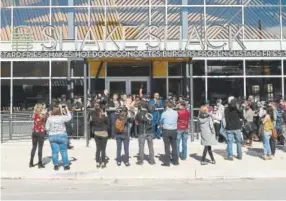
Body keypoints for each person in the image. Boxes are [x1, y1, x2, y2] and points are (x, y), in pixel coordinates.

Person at [45, 105, 72, 171]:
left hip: (52, 135)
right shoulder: (62, 117)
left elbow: (47, 128)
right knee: (63, 151)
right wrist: (66, 109)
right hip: (62, 135)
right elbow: (69, 117)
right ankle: (65, 165)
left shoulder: (49, 118)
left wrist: (49, 133)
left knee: (54, 152)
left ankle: (56, 165)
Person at [160, 101, 179, 166]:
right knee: (174, 146)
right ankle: (176, 161)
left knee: (167, 147)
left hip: (166, 130)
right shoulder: (176, 113)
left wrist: (161, 125)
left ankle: (167, 162)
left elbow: (161, 121)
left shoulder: (164, 113)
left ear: (167, 106)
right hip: (174, 130)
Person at [224, 96, 243, 161]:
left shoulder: (226, 109)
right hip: (237, 127)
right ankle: (239, 154)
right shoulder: (237, 108)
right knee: (238, 141)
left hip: (229, 128)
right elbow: (241, 116)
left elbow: (226, 119)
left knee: (230, 142)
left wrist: (227, 126)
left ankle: (230, 155)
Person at [29, 103, 46, 168]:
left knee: (34, 147)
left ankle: (31, 162)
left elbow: (35, 119)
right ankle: (40, 163)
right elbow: (44, 120)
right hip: (41, 132)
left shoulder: (34, 115)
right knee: (40, 148)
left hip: (34, 131)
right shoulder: (42, 115)